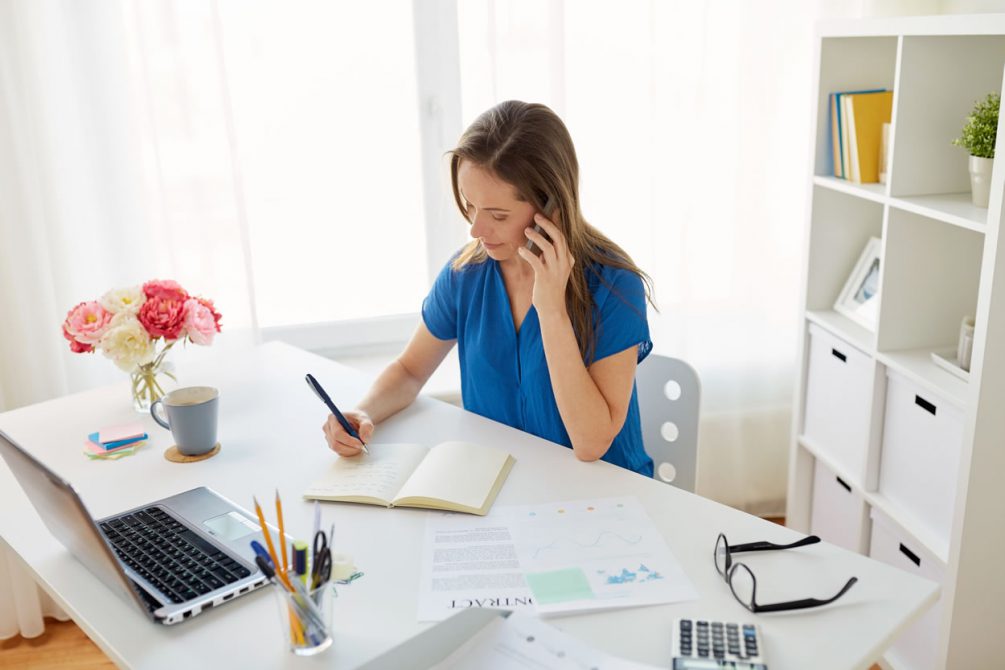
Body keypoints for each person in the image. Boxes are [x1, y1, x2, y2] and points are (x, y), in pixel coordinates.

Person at [322, 100, 655, 475]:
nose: (476, 230)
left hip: (604, 491)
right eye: (470, 206)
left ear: (552, 208)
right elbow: (410, 370)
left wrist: (551, 310)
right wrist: (363, 412)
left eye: (498, 215)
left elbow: (591, 444)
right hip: (501, 485)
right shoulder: (466, 274)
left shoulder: (614, 285)